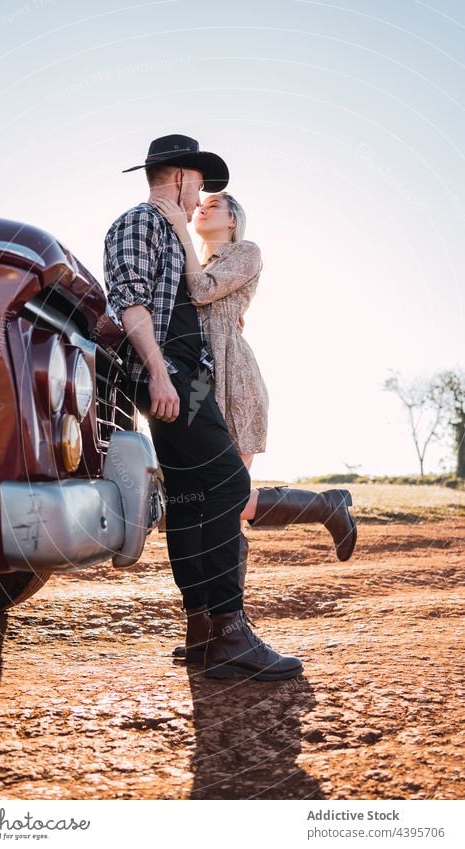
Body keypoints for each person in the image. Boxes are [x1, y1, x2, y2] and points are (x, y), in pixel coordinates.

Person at [104, 134, 303, 681]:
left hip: (188, 377)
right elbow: (132, 301)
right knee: (230, 487)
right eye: (200, 188)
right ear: (182, 178)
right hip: (173, 374)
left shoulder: (168, 232)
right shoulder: (141, 222)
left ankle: (202, 630)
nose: (199, 202)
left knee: (193, 500)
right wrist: (161, 374)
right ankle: (230, 633)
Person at [151, 190, 357, 608]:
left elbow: (205, 290)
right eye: (201, 205)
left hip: (234, 376)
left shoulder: (246, 252)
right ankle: (215, 620)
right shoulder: (200, 260)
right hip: (198, 381)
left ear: (232, 221)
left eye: (215, 206)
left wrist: (180, 230)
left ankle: (323, 508)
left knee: (230, 500)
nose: (203, 208)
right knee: (195, 501)